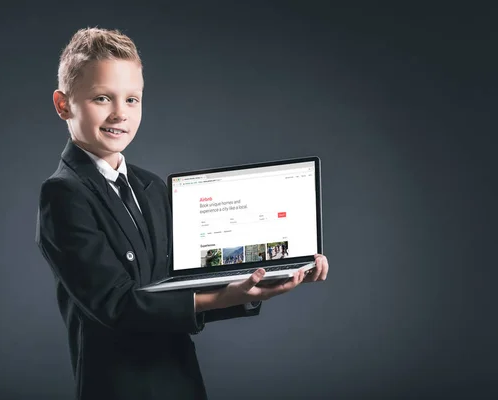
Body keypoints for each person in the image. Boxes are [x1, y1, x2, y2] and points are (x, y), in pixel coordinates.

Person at [35, 27, 329, 400]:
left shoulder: (152, 187)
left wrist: (255, 288)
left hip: (180, 380)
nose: (119, 113)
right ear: (64, 105)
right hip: (119, 387)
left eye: (132, 99)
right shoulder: (63, 194)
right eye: (101, 98)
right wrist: (225, 296)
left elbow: (179, 288)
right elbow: (116, 305)